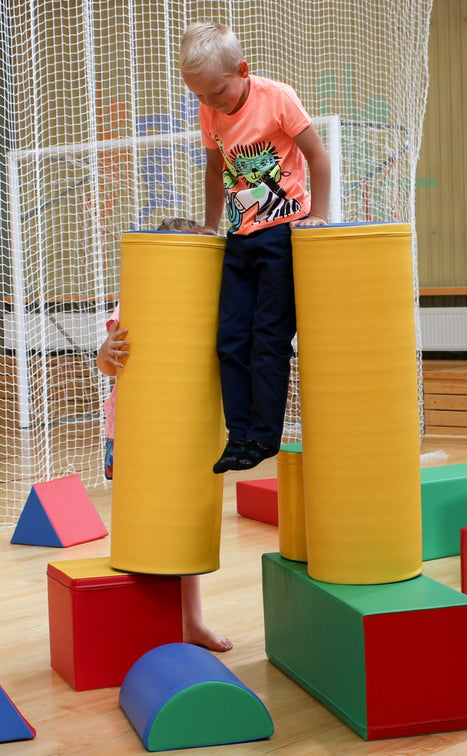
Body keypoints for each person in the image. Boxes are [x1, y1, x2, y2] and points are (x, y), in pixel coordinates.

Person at [178, 21, 331, 474]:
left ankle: (263, 435)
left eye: (216, 94)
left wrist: (317, 215)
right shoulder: (210, 112)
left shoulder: (276, 97)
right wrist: (209, 225)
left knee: (268, 338)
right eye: (199, 97)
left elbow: (318, 157)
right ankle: (238, 434)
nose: (209, 104)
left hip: (283, 234)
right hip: (240, 237)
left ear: (242, 70)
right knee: (230, 340)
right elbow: (213, 168)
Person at [95, 216, 232, 653]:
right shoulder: (137, 304)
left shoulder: (206, 306)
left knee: (182, 531)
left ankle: (191, 622)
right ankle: (145, 622)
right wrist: (106, 354)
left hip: (186, 432)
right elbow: (108, 364)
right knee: (145, 527)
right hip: (134, 435)